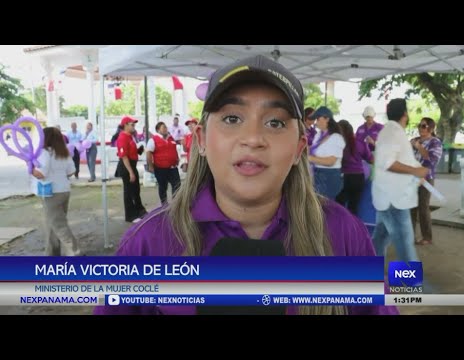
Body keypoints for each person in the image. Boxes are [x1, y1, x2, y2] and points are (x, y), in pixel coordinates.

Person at [94, 54, 398, 315]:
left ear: (298, 149)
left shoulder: (343, 232)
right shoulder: (149, 240)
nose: (252, 138)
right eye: (231, 118)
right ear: (201, 140)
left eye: (275, 122)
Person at [371, 98, 429, 263]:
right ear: (405, 113)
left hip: (390, 198)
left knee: (380, 239)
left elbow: (399, 160)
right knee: (404, 244)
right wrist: (416, 170)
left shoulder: (392, 131)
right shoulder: (393, 132)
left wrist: (416, 173)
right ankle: (411, 284)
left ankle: (368, 274)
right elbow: (388, 163)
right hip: (394, 200)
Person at [31, 127, 81, 256]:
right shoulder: (64, 152)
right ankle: (52, 254)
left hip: (51, 193)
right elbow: (71, 172)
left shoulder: (43, 152)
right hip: (64, 191)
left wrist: (30, 169)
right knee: (52, 224)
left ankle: (75, 253)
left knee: (59, 226)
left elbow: (41, 174)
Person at [410, 117, 443, 245]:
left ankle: (427, 237)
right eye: (419, 125)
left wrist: (418, 146)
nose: (420, 128)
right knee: (411, 207)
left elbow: (432, 159)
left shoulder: (435, 142)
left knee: (423, 208)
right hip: (411, 177)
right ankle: (409, 236)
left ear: (431, 128)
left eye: (423, 126)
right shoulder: (414, 140)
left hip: (426, 178)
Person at [308, 106, 346, 200]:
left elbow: (331, 161)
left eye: (318, 119)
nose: (315, 122)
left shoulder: (336, 138)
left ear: (327, 118)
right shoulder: (318, 135)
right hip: (317, 175)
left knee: (325, 209)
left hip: (330, 177)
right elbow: (312, 150)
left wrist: (310, 158)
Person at [336, 120, 373, 215]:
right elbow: (371, 159)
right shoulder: (360, 142)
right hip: (359, 178)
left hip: (345, 178)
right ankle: (353, 228)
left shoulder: (338, 144)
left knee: (338, 204)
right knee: (353, 207)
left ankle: (341, 227)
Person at [116, 116, 147, 223]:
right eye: (132, 124)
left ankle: (140, 211)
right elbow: (124, 156)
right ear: (125, 125)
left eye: (134, 124)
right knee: (129, 191)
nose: (134, 126)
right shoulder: (123, 137)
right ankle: (130, 215)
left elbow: (131, 151)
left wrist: (139, 150)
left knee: (135, 190)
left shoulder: (130, 136)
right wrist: (131, 172)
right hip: (126, 166)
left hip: (132, 164)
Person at [146, 121, 181, 205]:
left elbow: (174, 149)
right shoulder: (153, 140)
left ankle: (175, 204)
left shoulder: (171, 138)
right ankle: (164, 204)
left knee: (177, 185)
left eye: (166, 127)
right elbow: (148, 153)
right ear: (158, 130)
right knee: (163, 187)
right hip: (160, 168)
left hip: (172, 167)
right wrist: (150, 166)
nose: (166, 129)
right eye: (163, 127)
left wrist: (177, 158)